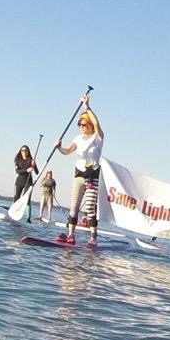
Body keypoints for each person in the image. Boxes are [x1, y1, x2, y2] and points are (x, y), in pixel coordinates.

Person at [56, 96, 103, 243]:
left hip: (92, 176)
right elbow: (67, 151)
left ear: (90, 125)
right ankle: (71, 235)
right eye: (79, 124)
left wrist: (87, 107)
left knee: (89, 208)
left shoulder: (98, 137)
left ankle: (93, 238)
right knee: (74, 206)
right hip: (78, 176)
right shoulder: (77, 138)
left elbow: (97, 123)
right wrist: (58, 147)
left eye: (83, 124)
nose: (81, 127)